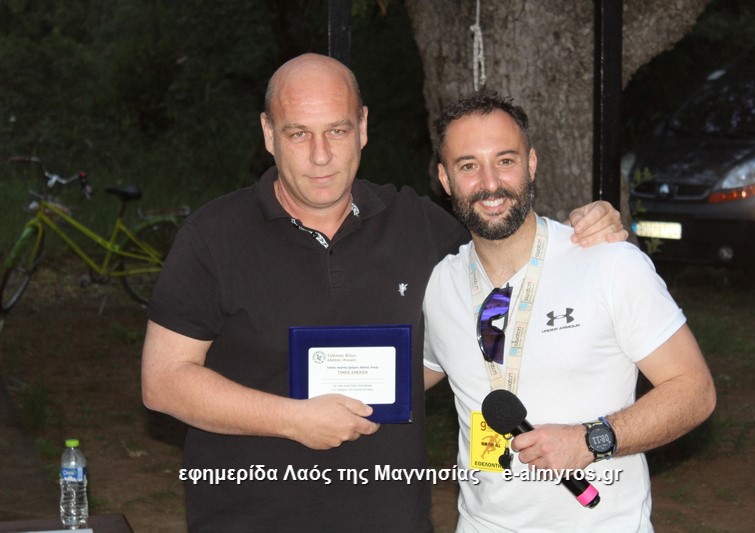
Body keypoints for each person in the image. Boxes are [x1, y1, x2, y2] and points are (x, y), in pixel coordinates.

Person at [140, 53, 627, 532]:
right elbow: (163, 381)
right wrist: (292, 419)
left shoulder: (419, 225)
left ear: (363, 127)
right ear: (269, 134)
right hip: (248, 517)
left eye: (337, 130)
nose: (320, 155)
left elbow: (512, 249)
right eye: (298, 134)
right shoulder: (214, 236)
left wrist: (584, 229)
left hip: (392, 518)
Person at [423, 90, 716, 532]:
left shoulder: (608, 263)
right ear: (445, 179)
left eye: (505, 160)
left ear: (531, 163)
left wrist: (591, 440)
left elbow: (695, 390)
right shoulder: (440, 285)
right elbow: (407, 376)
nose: (490, 183)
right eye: (468, 166)